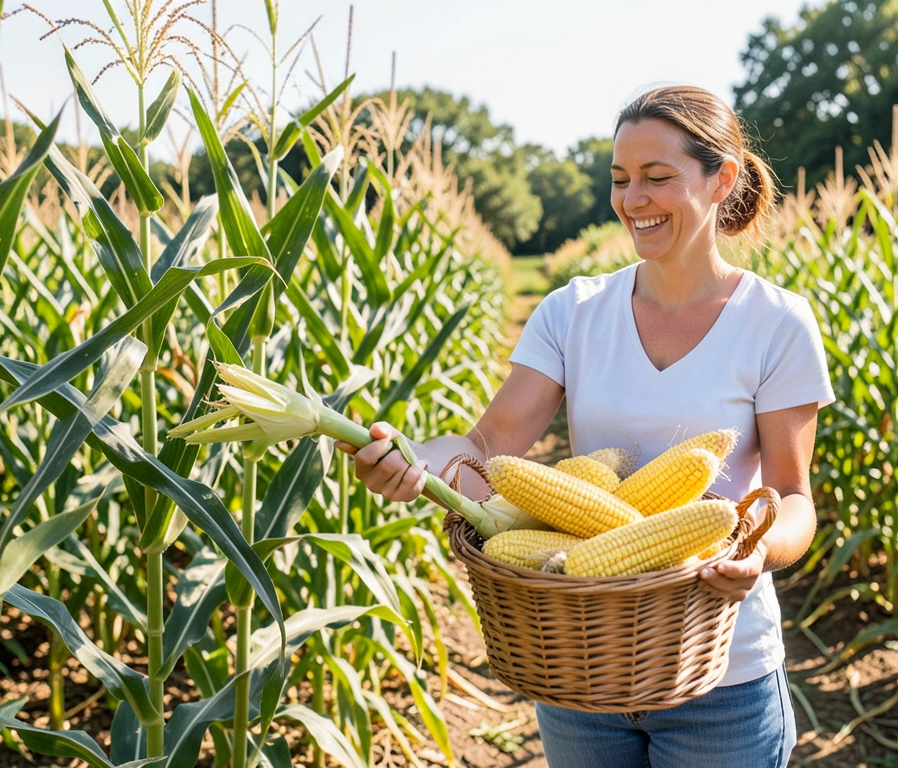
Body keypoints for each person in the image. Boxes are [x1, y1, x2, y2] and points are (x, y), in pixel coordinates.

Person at [337, 84, 833, 768]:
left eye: (657, 178)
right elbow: (487, 447)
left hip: (722, 674)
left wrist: (753, 548)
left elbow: (793, 497)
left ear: (721, 181)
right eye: (620, 180)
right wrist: (412, 459)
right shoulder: (574, 311)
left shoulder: (776, 323)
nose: (633, 200)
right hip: (579, 665)